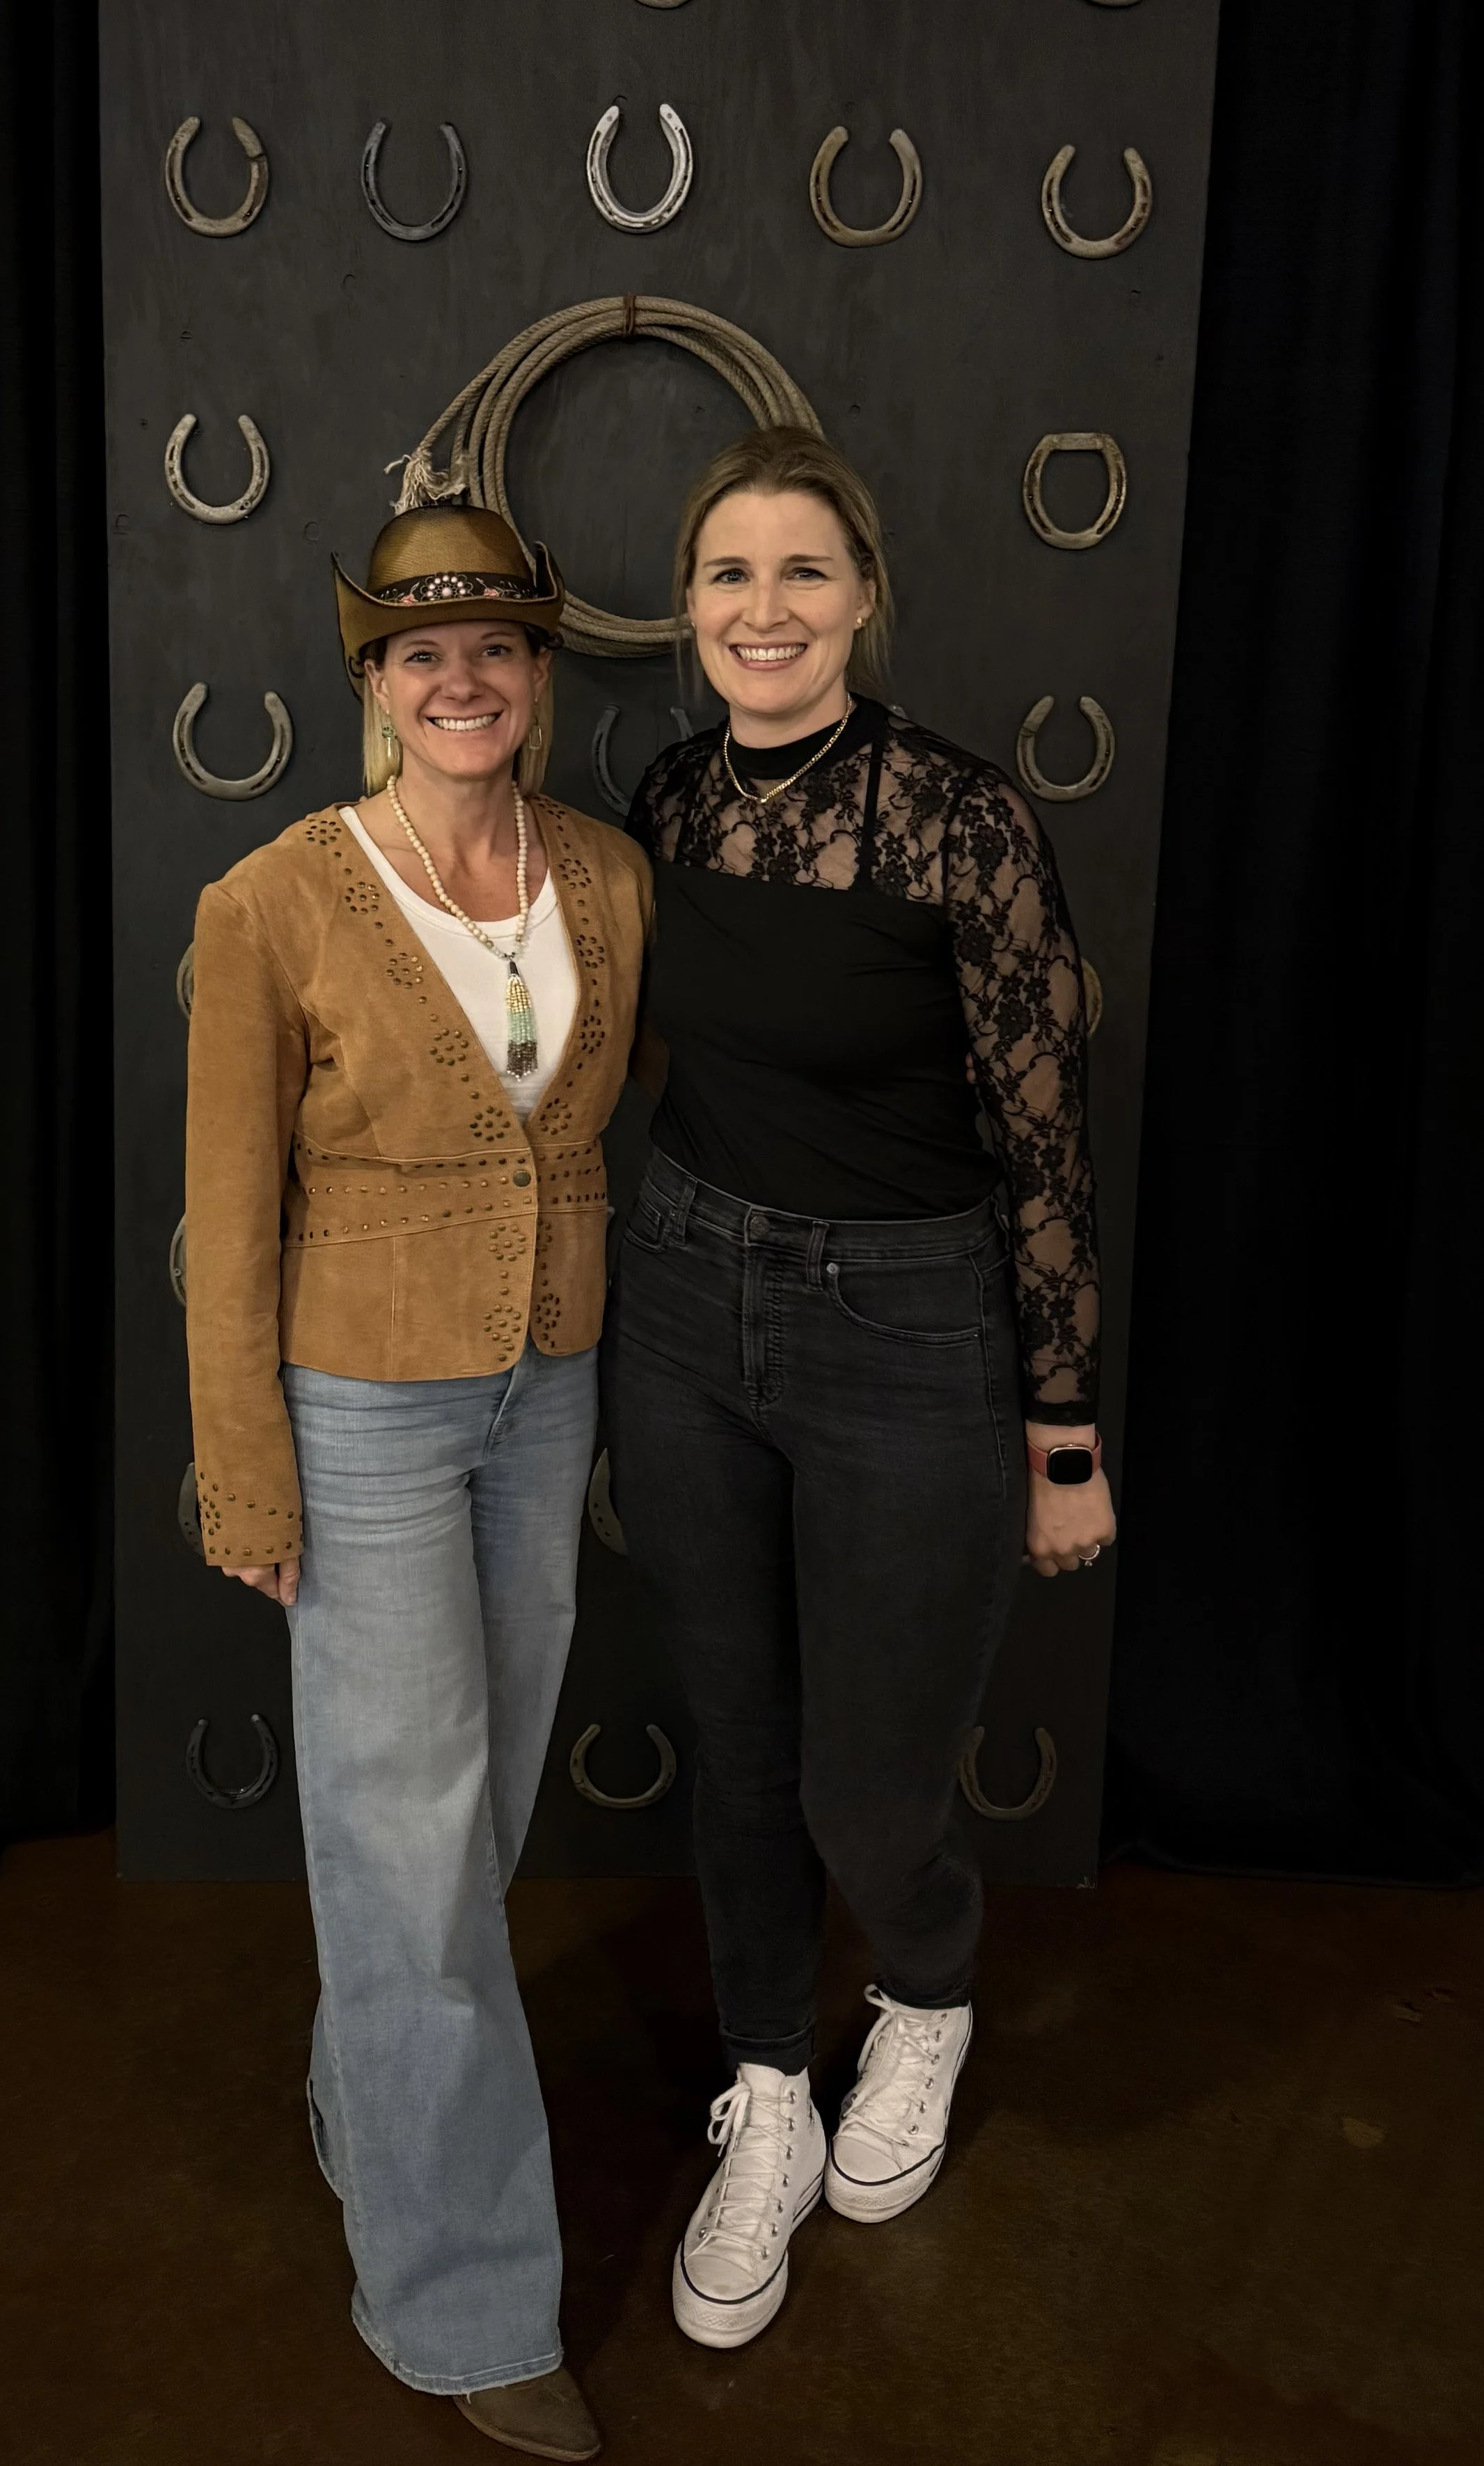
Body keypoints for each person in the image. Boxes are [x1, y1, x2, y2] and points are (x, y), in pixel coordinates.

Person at [601, 427, 1115, 2352]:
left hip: (908, 1334)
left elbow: (1044, 1142)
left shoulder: (961, 819)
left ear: (863, 596)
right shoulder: (666, 795)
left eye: (801, 570)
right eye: (728, 573)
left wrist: (1062, 1431)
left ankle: (925, 1996)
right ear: (690, 606)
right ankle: (766, 2090)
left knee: (868, 1782)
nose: (763, 609)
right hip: (684, 1310)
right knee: (738, 1749)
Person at [183, 502, 650, 2463]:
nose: (462, 679)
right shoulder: (272, 901)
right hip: (360, 1411)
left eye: (496, 647)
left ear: (538, 672)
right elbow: (225, 1216)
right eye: (420, 652)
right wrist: (246, 1478)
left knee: (471, 1816)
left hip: (547, 1394)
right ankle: (462, 2299)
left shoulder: (608, 875)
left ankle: (369, 2101)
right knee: (408, 1838)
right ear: (374, 683)